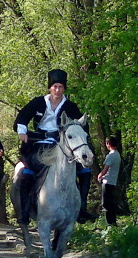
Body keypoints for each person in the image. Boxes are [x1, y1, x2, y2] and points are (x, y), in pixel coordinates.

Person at [13, 69, 97, 226]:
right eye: (55, 87)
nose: (57, 90)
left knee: (85, 171)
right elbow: (21, 118)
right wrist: (22, 132)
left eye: (60, 87)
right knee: (26, 173)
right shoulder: (37, 102)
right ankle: (25, 211)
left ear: (64, 89)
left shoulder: (70, 106)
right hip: (39, 145)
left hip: (63, 147)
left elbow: (82, 127)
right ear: (49, 88)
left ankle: (82, 208)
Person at [97, 136, 121, 226]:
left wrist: (100, 175)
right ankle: (113, 222)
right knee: (111, 203)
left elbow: (105, 170)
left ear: (108, 144)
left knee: (106, 204)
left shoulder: (110, 155)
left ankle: (109, 223)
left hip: (107, 182)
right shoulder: (117, 154)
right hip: (113, 181)